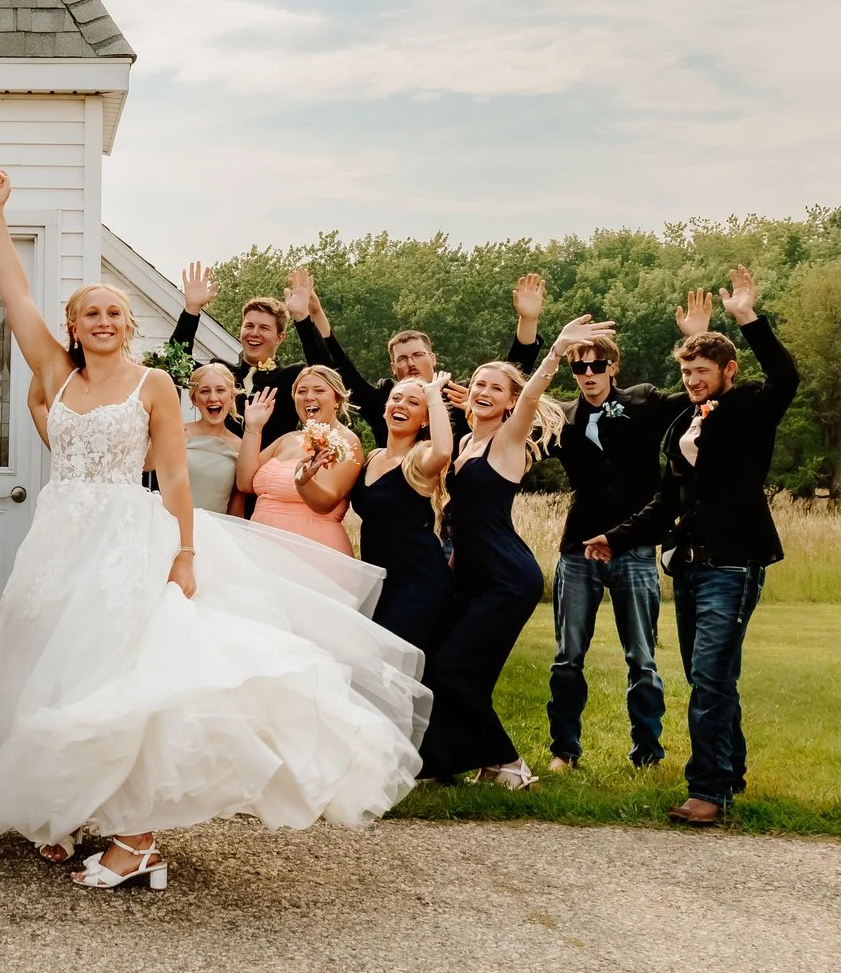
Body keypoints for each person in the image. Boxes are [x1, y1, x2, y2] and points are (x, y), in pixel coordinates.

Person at [0, 174, 432, 891]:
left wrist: (184, 553)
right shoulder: (56, 374)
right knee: (46, 665)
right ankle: (58, 807)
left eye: (114, 312)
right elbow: (17, 295)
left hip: (128, 536)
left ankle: (138, 839)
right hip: (58, 539)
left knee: (129, 674)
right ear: (72, 325)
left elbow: (178, 480)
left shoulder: (152, 383)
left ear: (128, 326)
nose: (103, 319)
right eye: (90, 311)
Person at [590, 268, 797, 827]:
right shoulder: (684, 421)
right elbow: (666, 501)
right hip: (689, 565)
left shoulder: (752, 405)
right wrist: (615, 536)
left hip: (735, 560)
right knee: (710, 676)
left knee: (709, 675)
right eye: (685, 371)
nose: (691, 380)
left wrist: (747, 319)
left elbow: (785, 375)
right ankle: (730, 772)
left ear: (728, 371)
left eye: (701, 371)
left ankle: (707, 791)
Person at [424, 325, 598, 789]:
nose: (484, 391)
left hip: (507, 578)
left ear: (508, 402)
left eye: (495, 388)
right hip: (472, 576)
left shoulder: (507, 441)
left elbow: (531, 397)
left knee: (451, 671)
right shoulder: (464, 445)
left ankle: (510, 764)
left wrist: (557, 351)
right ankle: (452, 766)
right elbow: (463, 513)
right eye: (479, 383)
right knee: (456, 672)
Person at [545, 325, 683, 772]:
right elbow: (515, 412)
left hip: (635, 548)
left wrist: (695, 337)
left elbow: (696, 396)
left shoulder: (642, 401)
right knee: (568, 655)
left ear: (613, 367)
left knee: (641, 657)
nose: (587, 373)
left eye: (596, 365)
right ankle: (564, 750)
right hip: (579, 548)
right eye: (578, 366)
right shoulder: (560, 417)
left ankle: (648, 753)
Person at [291, 270, 545, 446]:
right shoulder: (385, 400)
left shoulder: (461, 397)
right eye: (401, 359)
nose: (410, 363)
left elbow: (513, 370)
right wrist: (313, 314)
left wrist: (528, 319)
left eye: (417, 355)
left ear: (433, 359)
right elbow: (338, 370)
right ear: (393, 368)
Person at [349, 375, 455, 661]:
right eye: (396, 398)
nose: (401, 405)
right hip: (377, 578)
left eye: (413, 402)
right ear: (385, 407)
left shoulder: (419, 458)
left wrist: (434, 394)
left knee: (388, 662)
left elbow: (444, 450)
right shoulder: (372, 456)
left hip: (417, 581)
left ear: (424, 419)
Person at [166, 264, 310, 448]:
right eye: (249, 326)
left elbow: (329, 374)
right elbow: (176, 364)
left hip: (268, 469)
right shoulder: (220, 372)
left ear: (280, 337)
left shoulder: (293, 377)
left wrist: (303, 318)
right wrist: (191, 310)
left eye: (264, 328)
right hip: (222, 468)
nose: (254, 333)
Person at [237, 366, 366, 555]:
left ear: (337, 400)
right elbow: (244, 483)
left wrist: (303, 481)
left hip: (310, 548)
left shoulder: (346, 442)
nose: (308, 397)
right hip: (262, 546)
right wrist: (253, 429)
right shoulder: (287, 439)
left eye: (319, 390)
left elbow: (324, 504)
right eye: (301, 391)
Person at [179, 362, 245, 515]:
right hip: (174, 524)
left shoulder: (240, 446)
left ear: (231, 397)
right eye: (204, 391)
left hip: (216, 530)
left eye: (220, 390)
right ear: (194, 398)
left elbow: (238, 499)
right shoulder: (179, 433)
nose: (213, 398)